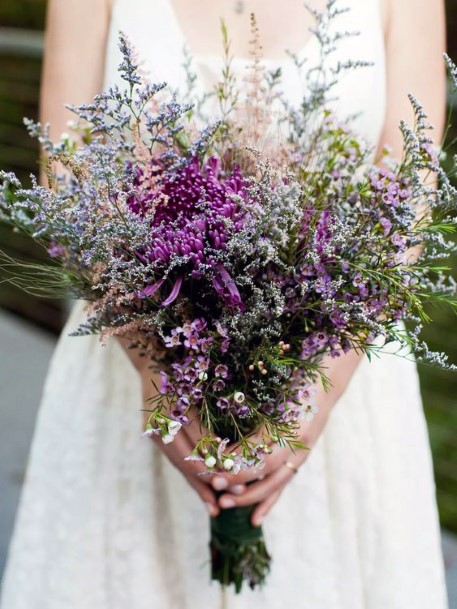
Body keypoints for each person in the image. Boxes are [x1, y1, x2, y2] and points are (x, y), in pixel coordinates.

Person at [0, 0, 449, 607]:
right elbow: (67, 180)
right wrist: (153, 364)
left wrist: (317, 399)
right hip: (134, 365)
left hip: (343, 380)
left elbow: (409, 206)